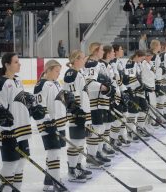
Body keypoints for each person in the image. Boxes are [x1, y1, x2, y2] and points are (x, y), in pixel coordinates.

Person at [0, 53, 32, 192]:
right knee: (10, 164)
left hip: (22, 127)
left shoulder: (17, 80)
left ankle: (15, 189)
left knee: (21, 162)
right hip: (8, 130)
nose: (19, 64)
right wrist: (4, 125)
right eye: (15, 62)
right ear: (7, 65)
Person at [34, 60, 68, 191]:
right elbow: (39, 107)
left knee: (55, 152)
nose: (58, 74)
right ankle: (55, 182)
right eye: (56, 71)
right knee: (54, 152)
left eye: (59, 72)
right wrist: (47, 122)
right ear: (48, 70)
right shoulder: (41, 85)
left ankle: (48, 183)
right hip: (49, 124)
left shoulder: (56, 83)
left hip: (59, 123)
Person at [63, 50, 93, 182]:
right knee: (76, 142)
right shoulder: (72, 74)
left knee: (81, 141)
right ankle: (72, 170)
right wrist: (77, 112)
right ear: (75, 60)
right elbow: (71, 95)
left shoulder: (78, 73)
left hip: (83, 112)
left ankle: (78, 166)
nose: (84, 60)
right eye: (82, 58)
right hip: (77, 113)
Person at [84, 42, 113, 168]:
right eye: (101, 49)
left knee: (101, 128)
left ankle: (98, 152)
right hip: (94, 102)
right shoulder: (92, 63)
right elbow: (89, 83)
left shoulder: (99, 64)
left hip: (101, 102)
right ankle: (91, 157)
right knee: (96, 129)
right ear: (96, 51)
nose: (103, 51)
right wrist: (103, 87)